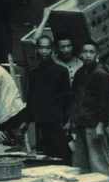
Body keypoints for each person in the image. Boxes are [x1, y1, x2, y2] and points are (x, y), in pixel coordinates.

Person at [22, 35, 72, 163]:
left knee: (62, 155)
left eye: (47, 48)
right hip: (40, 121)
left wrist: (68, 120)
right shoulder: (34, 73)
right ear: (37, 50)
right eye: (41, 48)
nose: (44, 51)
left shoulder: (61, 71)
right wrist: (27, 120)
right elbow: (31, 98)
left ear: (52, 50)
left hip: (57, 120)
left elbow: (67, 97)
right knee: (45, 157)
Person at [71, 42, 109, 175]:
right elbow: (76, 99)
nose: (88, 55)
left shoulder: (101, 74)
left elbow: (105, 102)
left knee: (98, 162)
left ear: (97, 55)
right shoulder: (79, 73)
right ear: (80, 55)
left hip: (94, 123)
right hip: (80, 122)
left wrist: (101, 124)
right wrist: (73, 122)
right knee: (81, 163)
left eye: (91, 52)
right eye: (85, 52)